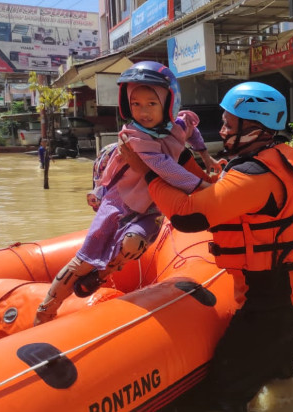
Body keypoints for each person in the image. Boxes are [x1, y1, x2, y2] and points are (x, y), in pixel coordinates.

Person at [122, 82, 293, 412]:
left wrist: (146, 172)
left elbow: (187, 216)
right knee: (282, 379)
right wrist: (174, 151)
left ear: (253, 126)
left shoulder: (253, 176)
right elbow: (210, 186)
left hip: (270, 303)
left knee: (222, 396)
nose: (222, 129)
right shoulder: (271, 159)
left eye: (228, 123)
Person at [34, 61, 212, 326]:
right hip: (119, 203)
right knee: (84, 259)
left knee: (133, 244)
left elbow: (192, 129)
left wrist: (206, 157)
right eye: (136, 104)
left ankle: (104, 273)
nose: (143, 112)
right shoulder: (135, 136)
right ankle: (46, 310)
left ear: (168, 102)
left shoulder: (177, 125)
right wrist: (205, 189)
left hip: (150, 206)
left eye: (152, 104)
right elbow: (166, 169)